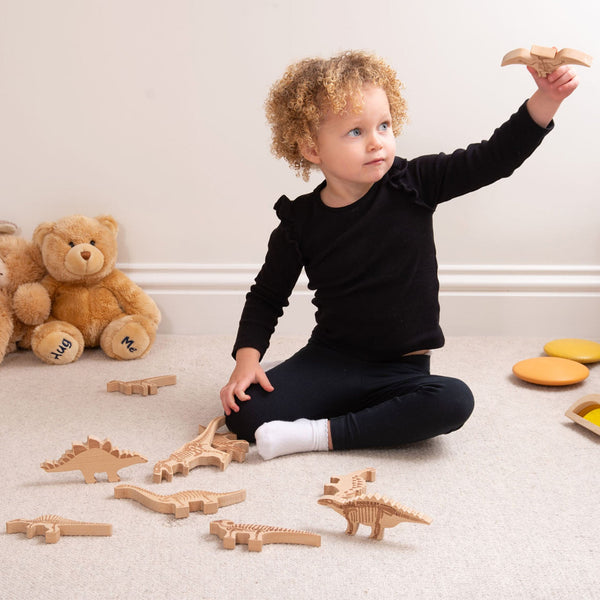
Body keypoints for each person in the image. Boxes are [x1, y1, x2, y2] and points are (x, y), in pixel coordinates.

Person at [220, 50, 579, 460]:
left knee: (453, 400)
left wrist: (546, 101)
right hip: (331, 359)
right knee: (243, 415)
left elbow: (493, 158)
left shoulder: (415, 183)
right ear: (311, 148)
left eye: (384, 125)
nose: (377, 141)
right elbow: (266, 296)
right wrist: (246, 362)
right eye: (355, 132)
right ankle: (365, 418)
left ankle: (318, 434)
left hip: (402, 370)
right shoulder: (298, 222)